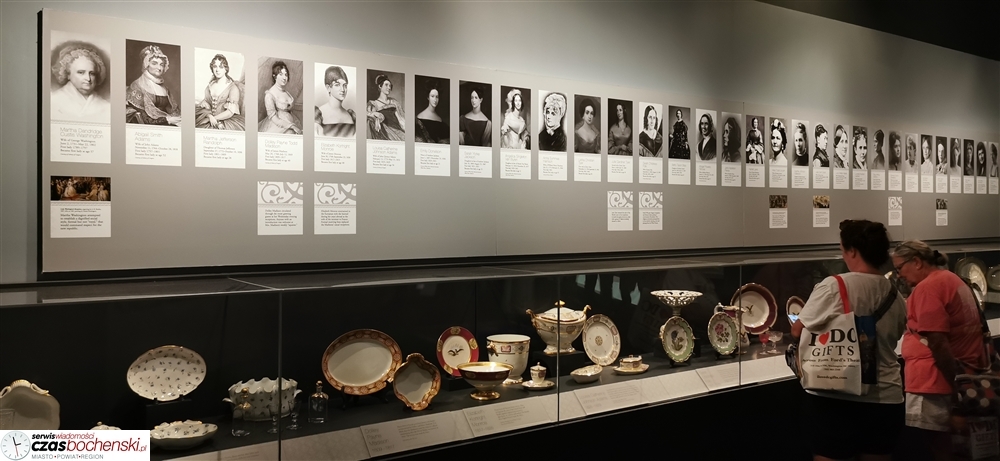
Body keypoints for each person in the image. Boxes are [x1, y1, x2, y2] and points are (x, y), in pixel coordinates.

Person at [791, 219, 906, 461]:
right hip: (886, 398)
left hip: (836, 396)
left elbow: (798, 329)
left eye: (843, 248)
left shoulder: (834, 285)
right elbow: (896, 335)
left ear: (853, 250)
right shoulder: (895, 293)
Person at [891, 241, 986, 461]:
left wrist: (955, 393)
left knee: (941, 449)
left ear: (916, 262)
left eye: (899, 268)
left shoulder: (928, 288)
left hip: (935, 383)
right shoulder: (951, 279)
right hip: (958, 378)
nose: (899, 275)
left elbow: (938, 342)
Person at [50, 43, 110, 122]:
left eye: (92, 73)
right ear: (68, 74)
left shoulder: (105, 105)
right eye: (81, 72)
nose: (88, 79)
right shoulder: (54, 100)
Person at [125, 45, 181, 126]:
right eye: (154, 63)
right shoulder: (136, 85)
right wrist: (167, 120)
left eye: (162, 64)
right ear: (146, 65)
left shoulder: (165, 88)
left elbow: (173, 110)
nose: (159, 68)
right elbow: (144, 118)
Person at [195, 54, 245, 131]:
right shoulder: (210, 86)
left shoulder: (232, 88)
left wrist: (214, 118)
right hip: (210, 119)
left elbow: (230, 112)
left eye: (221, 67)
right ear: (212, 68)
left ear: (226, 69)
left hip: (227, 121)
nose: (217, 70)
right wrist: (209, 116)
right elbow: (205, 107)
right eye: (215, 66)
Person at [258, 61, 302, 134]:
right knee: (290, 133)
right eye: (281, 74)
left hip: (292, 121)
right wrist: (291, 126)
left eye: (286, 75)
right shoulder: (269, 95)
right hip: (278, 125)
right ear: (274, 76)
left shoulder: (286, 92)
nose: (284, 78)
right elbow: (274, 119)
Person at [314, 65, 355, 137]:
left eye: (345, 85)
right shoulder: (318, 114)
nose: (342, 89)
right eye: (337, 85)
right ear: (328, 88)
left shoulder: (351, 115)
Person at [366, 73, 404, 141]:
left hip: (398, 130)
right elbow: (367, 115)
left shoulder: (394, 102)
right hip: (386, 132)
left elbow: (400, 118)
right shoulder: (374, 103)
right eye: (386, 85)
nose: (389, 88)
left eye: (390, 85)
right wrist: (375, 115)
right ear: (380, 86)